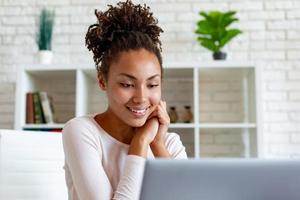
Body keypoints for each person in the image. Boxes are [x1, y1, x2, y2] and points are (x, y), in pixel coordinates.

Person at [62, 1, 187, 199]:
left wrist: (156, 144)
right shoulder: (82, 131)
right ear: (103, 81)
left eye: (152, 85)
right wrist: (140, 142)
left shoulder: (169, 143)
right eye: (127, 85)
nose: (141, 98)